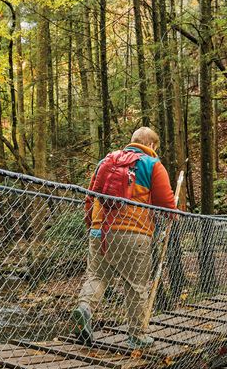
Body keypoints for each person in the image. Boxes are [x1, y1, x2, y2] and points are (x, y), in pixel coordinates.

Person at [73, 127, 176, 349]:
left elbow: (90, 197)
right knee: (135, 284)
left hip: (100, 230)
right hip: (134, 232)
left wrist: (92, 225)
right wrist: (173, 214)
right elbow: (166, 203)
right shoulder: (152, 165)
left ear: (132, 141)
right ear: (152, 145)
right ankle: (136, 335)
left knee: (97, 276)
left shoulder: (106, 162)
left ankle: (85, 308)